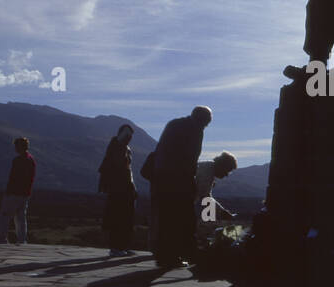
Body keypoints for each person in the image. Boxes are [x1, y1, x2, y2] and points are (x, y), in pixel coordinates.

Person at [150, 106, 213, 268]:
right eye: (206, 124)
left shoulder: (174, 124)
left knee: (166, 218)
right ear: (203, 121)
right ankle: (179, 255)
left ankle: (165, 255)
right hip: (177, 179)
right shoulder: (195, 130)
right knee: (181, 219)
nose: (205, 127)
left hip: (161, 178)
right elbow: (190, 158)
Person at [98, 123, 137, 257]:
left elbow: (128, 171)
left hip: (126, 188)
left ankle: (123, 246)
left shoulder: (126, 149)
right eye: (126, 134)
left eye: (130, 135)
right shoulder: (116, 147)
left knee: (127, 218)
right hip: (117, 188)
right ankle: (116, 247)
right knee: (117, 217)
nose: (129, 137)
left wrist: (132, 187)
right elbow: (118, 166)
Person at [0, 137, 36, 244]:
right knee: (20, 217)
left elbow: (13, 178)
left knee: (5, 215)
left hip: (14, 193)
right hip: (25, 193)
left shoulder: (18, 160)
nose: (15, 148)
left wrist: (9, 191)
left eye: (16, 146)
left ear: (19, 147)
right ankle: (22, 239)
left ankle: (2, 239)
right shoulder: (31, 160)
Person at [195, 151, 240, 246]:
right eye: (228, 170)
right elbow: (205, 197)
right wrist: (222, 212)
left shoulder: (207, 169)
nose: (227, 175)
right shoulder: (206, 172)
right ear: (222, 166)